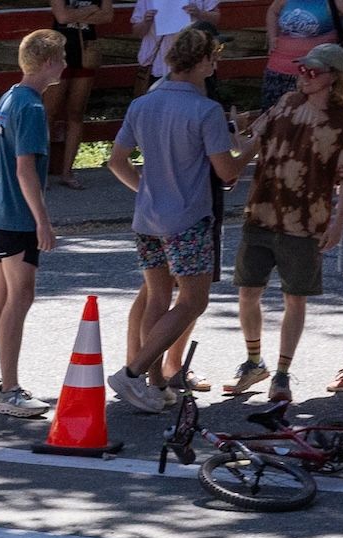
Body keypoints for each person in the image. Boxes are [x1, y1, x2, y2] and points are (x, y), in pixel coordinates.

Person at [113, 26, 244, 406]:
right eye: (213, 58)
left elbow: (117, 162)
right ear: (202, 61)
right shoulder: (206, 110)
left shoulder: (142, 105)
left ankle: (154, 387)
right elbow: (227, 172)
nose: (215, 64)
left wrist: (146, 189)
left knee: (157, 298)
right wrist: (251, 148)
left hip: (148, 218)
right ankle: (132, 373)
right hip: (186, 220)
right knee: (193, 301)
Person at [226, 43, 343, 405]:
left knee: (293, 299)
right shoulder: (286, 103)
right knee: (248, 290)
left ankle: (282, 374)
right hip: (261, 212)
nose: (303, 76)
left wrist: (335, 221)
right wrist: (234, 151)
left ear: (333, 77)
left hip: (305, 221)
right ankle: (254, 362)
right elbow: (255, 142)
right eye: (301, 69)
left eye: (312, 72)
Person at [0, 32, 69, 411]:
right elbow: (25, 168)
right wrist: (42, 220)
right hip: (15, 215)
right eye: (60, 58)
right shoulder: (31, 107)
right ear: (46, 63)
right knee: (19, 298)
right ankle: (8, 389)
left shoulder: (9, 97)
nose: (63, 65)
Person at [47, 0, 114, 182]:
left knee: (76, 113)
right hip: (59, 52)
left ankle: (67, 172)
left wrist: (75, 13)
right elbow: (61, 16)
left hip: (86, 51)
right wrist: (91, 10)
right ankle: (37, 171)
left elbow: (107, 16)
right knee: (48, 113)